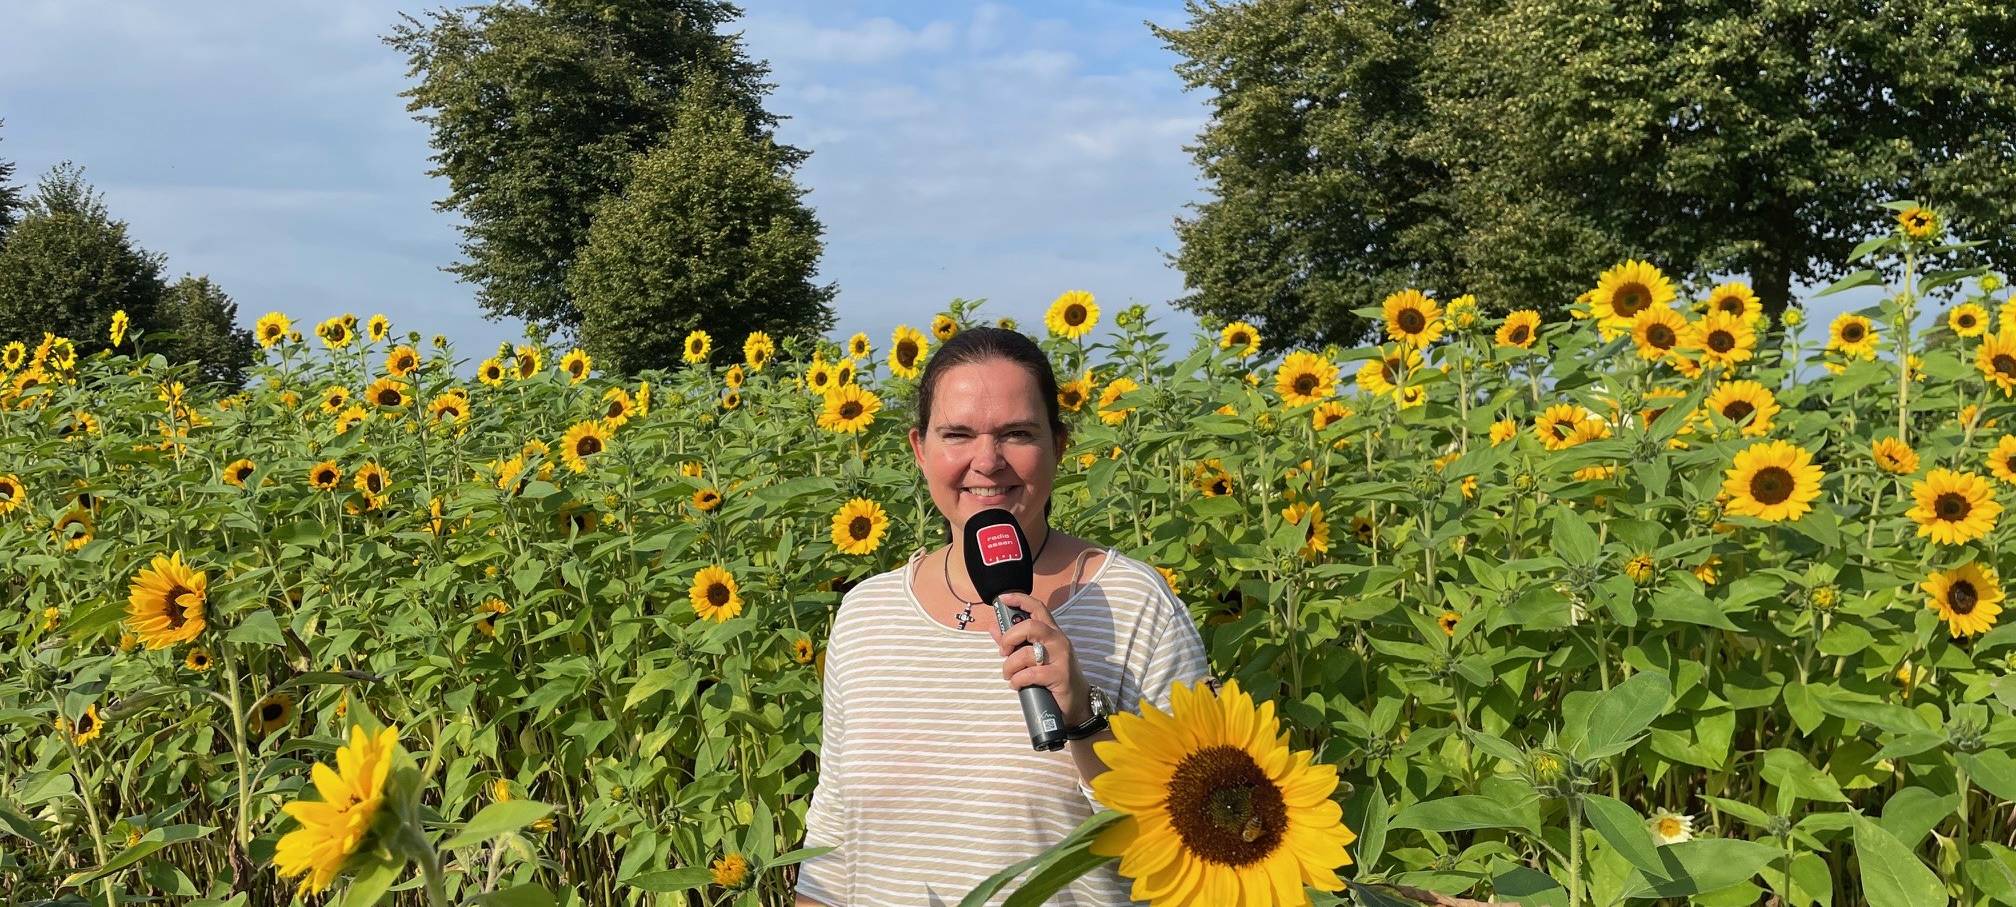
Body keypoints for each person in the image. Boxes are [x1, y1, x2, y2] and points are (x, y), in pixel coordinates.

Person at [793, 327, 1212, 906]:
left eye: (1017, 434)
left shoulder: (1136, 603)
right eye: (957, 434)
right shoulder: (868, 612)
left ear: (1059, 445)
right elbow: (835, 832)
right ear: (920, 449)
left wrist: (1085, 719)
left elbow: (1192, 838)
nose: (986, 462)